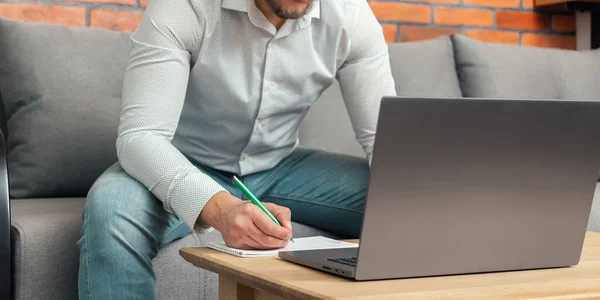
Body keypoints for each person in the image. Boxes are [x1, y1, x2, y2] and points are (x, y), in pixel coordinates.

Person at [77, 0, 396, 298]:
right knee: (112, 210)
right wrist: (219, 207)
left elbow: (386, 141)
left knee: (413, 202)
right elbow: (141, 137)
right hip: (184, 159)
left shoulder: (351, 15)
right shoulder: (184, 7)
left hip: (282, 165)